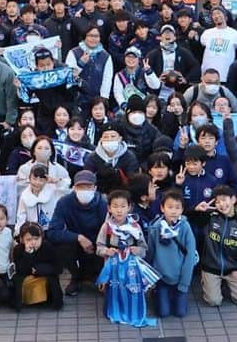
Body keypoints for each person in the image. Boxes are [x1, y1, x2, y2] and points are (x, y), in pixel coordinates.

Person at [95, 190, 155, 327]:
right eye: (115, 206)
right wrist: (106, 251)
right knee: (113, 292)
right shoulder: (107, 227)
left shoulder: (135, 226)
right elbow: (98, 247)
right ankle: (116, 310)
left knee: (132, 290)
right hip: (113, 267)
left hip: (131, 267)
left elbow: (144, 249)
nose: (119, 210)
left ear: (129, 207)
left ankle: (133, 311)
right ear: (109, 208)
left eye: (123, 206)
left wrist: (137, 250)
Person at [49, 170, 108, 296]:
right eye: (80, 187)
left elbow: (110, 229)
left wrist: (97, 243)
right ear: (74, 188)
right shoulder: (64, 202)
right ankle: (76, 277)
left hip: (98, 243)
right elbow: (53, 231)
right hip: (75, 242)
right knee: (61, 246)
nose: (84, 190)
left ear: (95, 188)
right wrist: (78, 238)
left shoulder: (103, 203)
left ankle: (98, 275)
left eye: (88, 187)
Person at [199, 184, 237, 307]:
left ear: (233, 200)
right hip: (211, 268)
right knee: (214, 301)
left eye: (224, 200)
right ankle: (211, 283)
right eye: (217, 202)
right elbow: (189, 218)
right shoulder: (210, 217)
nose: (221, 204)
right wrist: (197, 210)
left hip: (232, 269)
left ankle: (225, 284)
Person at [12, 222, 64, 311]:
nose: (33, 242)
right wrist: (27, 254)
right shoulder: (18, 249)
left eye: (36, 238)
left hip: (44, 274)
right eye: (28, 239)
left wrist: (39, 269)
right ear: (22, 239)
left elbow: (58, 268)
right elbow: (19, 270)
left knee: (52, 279)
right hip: (26, 277)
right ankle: (20, 301)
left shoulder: (47, 247)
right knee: (17, 280)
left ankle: (53, 301)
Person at [65, 28, 114, 115]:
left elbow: (107, 79)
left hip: (96, 99)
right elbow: (68, 76)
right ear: (84, 37)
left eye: (96, 36)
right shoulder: (73, 52)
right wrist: (81, 63)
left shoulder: (106, 56)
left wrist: (103, 99)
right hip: (77, 98)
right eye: (90, 36)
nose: (93, 39)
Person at [83, 123, 140, 194]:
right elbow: (86, 179)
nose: (109, 139)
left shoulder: (129, 157)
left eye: (113, 136)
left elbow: (133, 180)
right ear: (101, 139)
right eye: (106, 137)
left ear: (120, 138)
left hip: (123, 194)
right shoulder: (92, 157)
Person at [199, 7, 237, 80]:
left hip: (226, 75)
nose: (216, 16)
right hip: (207, 77)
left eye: (219, 13)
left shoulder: (236, 34)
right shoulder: (206, 33)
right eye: (214, 14)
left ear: (225, 17)